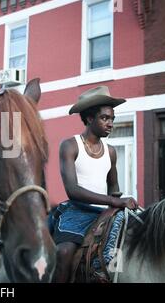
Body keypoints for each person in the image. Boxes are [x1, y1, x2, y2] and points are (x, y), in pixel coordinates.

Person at [50, 85, 138, 283]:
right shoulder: (70, 145)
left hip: (105, 215)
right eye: (105, 118)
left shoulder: (111, 151)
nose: (110, 124)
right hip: (77, 212)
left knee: (127, 249)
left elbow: (114, 191)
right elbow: (73, 191)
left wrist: (120, 205)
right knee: (64, 253)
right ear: (90, 118)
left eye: (112, 119)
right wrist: (116, 201)